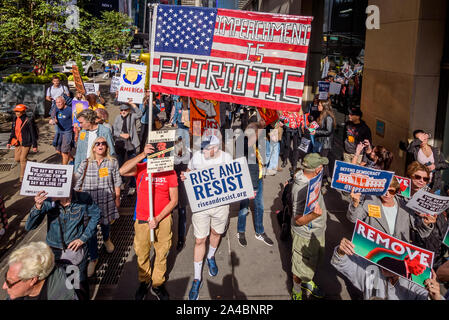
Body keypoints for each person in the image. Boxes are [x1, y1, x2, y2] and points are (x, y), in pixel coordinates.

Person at [120, 144, 178, 300]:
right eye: (155, 151)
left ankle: (158, 284)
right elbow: (122, 171)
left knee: (162, 252)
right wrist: (141, 155)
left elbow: (174, 201)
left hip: (163, 219)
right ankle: (144, 281)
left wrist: (158, 218)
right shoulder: (142, 167)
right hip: (142, 218)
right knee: (142, 252)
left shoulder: (170, 172)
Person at [180, 135, 233, 300]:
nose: (203, 150)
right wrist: (185, 177)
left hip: (220, 206)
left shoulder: (227, 158)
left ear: (216, 148)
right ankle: (197, 278)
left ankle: (210, 256)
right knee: (199, 240)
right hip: (201, 207)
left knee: (216, 234)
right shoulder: (197, 157)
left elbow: (234, 178)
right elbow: (189, 172)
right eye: (202, 147)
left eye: (206, 148)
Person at [25, 187, 101, 300]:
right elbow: (29, 226)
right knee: (57, 284)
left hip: (75, 251)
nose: (51, 193)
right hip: (54, 251)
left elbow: (96, 214)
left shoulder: (82, 198)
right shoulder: (48, 201)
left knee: (76, 285)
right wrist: (38, 206)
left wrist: (83, 238)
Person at [331, 237, 444, 300]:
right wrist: (341, 251)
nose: (387, 267)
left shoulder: (414, 285)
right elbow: (342, 264)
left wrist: (437, 298)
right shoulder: (372, 270)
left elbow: (427, 296)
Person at [75, 136, 122, 277]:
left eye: (103, 143)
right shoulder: (85, 163)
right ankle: (93, 259)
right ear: (93, 148)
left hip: (106, 200)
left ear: (106, 147)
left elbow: (117, 181)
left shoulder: (112, 162)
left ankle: (107, 239)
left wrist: (118, 197)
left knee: (106, 224)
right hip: (88, 204)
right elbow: (76, 180)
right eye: (98, 143)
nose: (101, 145)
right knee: (91, 233)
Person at [347, 177, 435, 243]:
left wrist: (426, 223)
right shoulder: (371, 201)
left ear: (396, 191)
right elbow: (353, 219)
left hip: (397, 253)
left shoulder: (404, 205)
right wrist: (355, 203)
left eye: (391, 191)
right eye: (384, 190)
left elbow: (420, 230)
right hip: (372, 248)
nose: (387, 194)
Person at [290, 153, 329, 300]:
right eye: (322, 167)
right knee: (299, 268)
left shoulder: (313, 178)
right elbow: (298, 220)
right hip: (305, 235)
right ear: (317, 170)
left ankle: (307, 281)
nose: (324, 168)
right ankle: (297, 290)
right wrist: (313, 216)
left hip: (317, 231)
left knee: (311, 263)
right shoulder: (300, 190)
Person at [236, 121, 274, 248]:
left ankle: (259, 231)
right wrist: (254, 188)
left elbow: (265, 156)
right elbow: (246, 163)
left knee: (260, 206)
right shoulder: (243, 143)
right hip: (247, 180)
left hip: (258, 178)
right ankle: (241, 231)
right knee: (244, 206)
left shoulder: (259, 142)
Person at [3, 242, 78, 300]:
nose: (4, 286)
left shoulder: (64, 295)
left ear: (32, 280)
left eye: (9, 282)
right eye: (6, 277)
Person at [113, 101, 142, 196]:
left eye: (125, 110)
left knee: (132, 164)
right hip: (120, 144)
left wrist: (133, 104)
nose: (123, 111)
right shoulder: (117, 118)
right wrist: (121, 134)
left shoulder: (132, 116)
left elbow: (139, 113)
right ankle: (121, 182)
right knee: (120, 165)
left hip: (132, 143)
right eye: (122, 110)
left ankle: (132, 185)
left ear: (129, 110)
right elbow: (114, 131)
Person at [7, 104, 38, 187]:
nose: (17, 113)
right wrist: (9, 142)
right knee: (17, 159)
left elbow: (33, 133)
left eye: (18, 111)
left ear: (23, 112)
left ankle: (21, 180)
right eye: (16, 111)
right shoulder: (15, 119)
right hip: (17, 142)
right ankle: (31, 163)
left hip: (26, 142)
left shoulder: (28, 120)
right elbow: (13, 131)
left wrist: (34, 145)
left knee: (22, 159)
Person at [310, 99, 336, 183]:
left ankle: (324, 179)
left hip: (325, 143)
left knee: (322, 161)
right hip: (321, 142)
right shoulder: (322, 115)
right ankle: (326, 177)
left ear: (324, 107)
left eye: (320, 105)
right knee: (323, 160)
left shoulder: (328, 117)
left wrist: (316, 132)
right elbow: (320, 126)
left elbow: (328, 131)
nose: (318, 106)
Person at [173, 136, 191, 251]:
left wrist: (188, 172)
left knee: (182, 213)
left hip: (182, 187)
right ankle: (170, 236)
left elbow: (194, 168)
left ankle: (181, 238)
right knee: (172, 213)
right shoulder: (169, 155)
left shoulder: (190, 155)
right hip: (171, 186)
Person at [49, 96, 73, 165]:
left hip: (67, 132)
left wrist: (76, 132)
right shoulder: (56, 109)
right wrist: (52, 121)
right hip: (59, 132)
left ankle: (63, 168)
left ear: (64, 102)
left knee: (64, 152)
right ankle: (72, 159)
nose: (58, 104)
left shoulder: (70, 110)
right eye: (56, 102)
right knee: (58, 151)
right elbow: (52, 118)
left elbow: (75, 121)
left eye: (59, 102)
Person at [279, 110, 304, 174]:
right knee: (287, 146)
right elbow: (281, 120)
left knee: (296, 148)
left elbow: (302, 122)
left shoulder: (300, 112)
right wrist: (283, 125)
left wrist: (302, 127)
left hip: (296, 131)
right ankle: (285, 160)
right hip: (288, 130)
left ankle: (294, 164)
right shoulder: (286, 111)